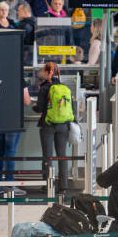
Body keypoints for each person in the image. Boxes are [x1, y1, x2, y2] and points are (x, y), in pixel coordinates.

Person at [33, 62, 75, 191]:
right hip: (63, 126)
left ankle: (48, 185)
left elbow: (39, 107)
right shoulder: (64, 87)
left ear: (47, 72)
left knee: (48, 156)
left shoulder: (44, 88)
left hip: (48, 126)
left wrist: (34, 107)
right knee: (62, 155)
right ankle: (64, 186)